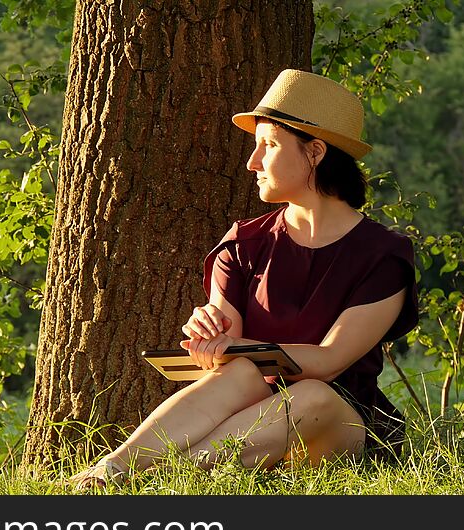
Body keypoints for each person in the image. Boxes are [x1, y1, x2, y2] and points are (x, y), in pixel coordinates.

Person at [68, 69, 419, 489]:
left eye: (268, 145)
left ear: (315, 152)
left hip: (340, 427)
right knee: (239, 372)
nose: (252, 162)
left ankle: (165, 481)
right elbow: (223, 359)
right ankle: (111, 472)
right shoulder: (244, 243)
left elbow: (329, 361)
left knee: (310, 394)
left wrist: (239, 346)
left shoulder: (382, 256)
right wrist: (210, 335)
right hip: (253, 418)